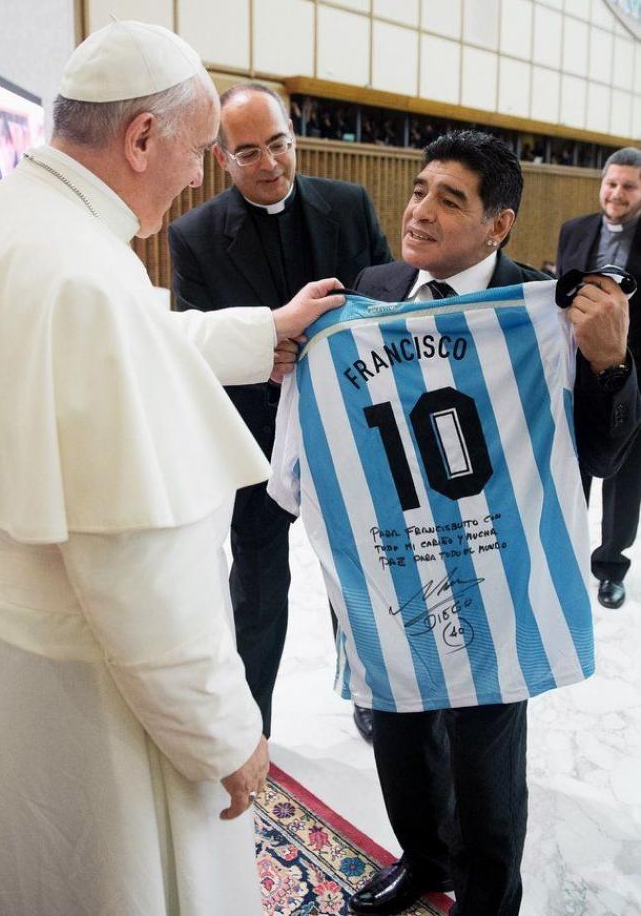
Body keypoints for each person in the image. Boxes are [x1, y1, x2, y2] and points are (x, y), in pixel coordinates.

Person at [0, 20, 345, 916]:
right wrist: (226, 733)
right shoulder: (83, 270)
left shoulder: (17, 218)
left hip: (8, 639)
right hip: (89, 690)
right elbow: (141, 571)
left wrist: (258, 330)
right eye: (199, 149)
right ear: (140, 138)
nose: (202, 172)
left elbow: (126, 343)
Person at [271, 131, 639, 916]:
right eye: (418, 190)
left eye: (451, 198)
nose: (421, 211)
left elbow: (603, 456)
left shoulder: (543, 307)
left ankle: (487, 897)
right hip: (391, 560)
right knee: (397, 728)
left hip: (496, 569)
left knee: (485, 754)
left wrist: (609, 364)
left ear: (498, 223)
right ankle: (426, 857)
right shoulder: (369, 285)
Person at [168, 83, 392, 742]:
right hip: (256, 437)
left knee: (355, 579)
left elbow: (384, 300)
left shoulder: (347, 207)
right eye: (249, 152)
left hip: (348, 432)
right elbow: (196, 343)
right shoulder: (195, 236)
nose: (269, 163)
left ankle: (373, 696)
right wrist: (258, 351)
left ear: (294, 138)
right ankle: (251, 719)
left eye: (279, 144)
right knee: (258, 590)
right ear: (222, 159)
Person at [557, 147, 641, 609]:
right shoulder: (574, 230)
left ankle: (611, 566)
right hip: (575, 373)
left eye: (628, 186)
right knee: (572, 471)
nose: (617, 193)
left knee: (625, 480)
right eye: (612, 183)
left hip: (633, 376)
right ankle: (566, 556)